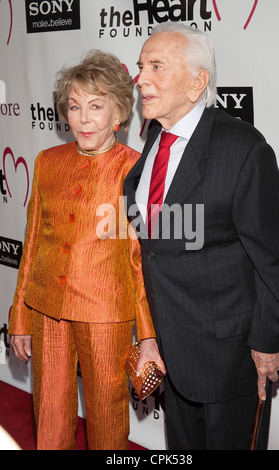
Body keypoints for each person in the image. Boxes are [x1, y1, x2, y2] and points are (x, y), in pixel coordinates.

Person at [124, 23, 279, 450]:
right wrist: (148, 335)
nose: (140, 78)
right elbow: (152, 240)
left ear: (197, 81)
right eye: (142, 66)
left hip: (230, 361)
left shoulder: (244, 150)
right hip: (172, 354)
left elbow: (273, 261)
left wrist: (269, 345)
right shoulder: (154, 144)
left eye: (156, 67)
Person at [8, 49, 165, 451]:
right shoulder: (47, 161)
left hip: (105, 314)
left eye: (96, 106)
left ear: (119, 113)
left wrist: (148, 337)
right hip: (46, 310)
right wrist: (20, 314)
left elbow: (139, 260)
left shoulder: (135, 170)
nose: (84, 118)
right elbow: (32, 246)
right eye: (75, 107)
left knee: (107, 418)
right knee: (49, 414)